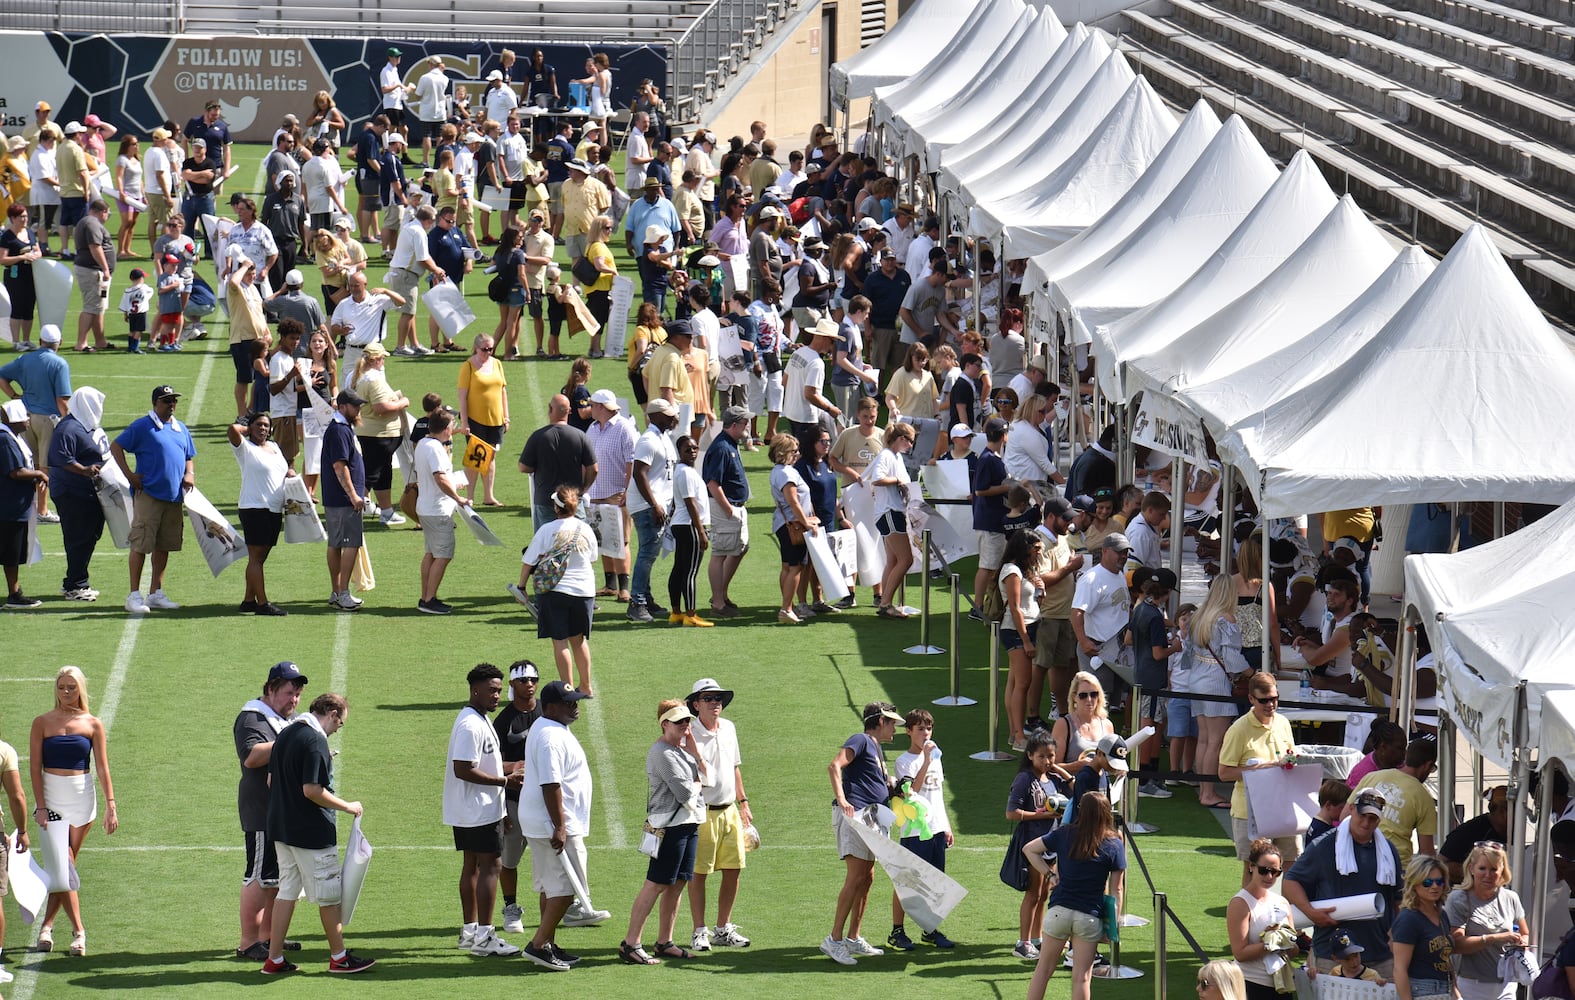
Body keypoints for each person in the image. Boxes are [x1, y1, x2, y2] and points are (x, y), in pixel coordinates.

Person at [261, 692, 373, 975]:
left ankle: (274, 959)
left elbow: (272, 779)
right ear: (332, 714)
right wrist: (348, 806)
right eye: (340, 723)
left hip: (281, 829)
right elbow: (312, 790)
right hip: (311, 833)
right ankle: (339, 957)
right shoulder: (315, 741)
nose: (337, 729)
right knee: (329, 896)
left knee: (286, 891)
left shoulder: (286, 734)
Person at [29, 665, 117, 957]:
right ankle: (79, 932)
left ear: (80, 689)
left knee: (62, 868)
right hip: (52, 799)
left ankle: (47, 926)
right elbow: (34, 767)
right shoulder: (41, 722)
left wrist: (111, 805)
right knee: (63, 864)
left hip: (82, 799)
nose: (66, 692)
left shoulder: (92, 723)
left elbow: (102, 767)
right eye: (61, 687)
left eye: (71, 687)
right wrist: (40, 806)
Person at [620, 699, 708, 965]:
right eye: (679, 721)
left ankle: (664, 941)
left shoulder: (682, 751)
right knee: (656, 884)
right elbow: (684, 793)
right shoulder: (661, 753)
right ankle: (631, 944)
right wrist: (698, 781)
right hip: (669, 827)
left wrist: (694, 753)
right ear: (664, 723)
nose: (685, 725)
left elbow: (710, 778)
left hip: (689, 824)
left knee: (678, 883)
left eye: (687, 721)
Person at [446, 664, 524, 958]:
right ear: (474, 689)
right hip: (478, 808)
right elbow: (463, 768)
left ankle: (470, 933)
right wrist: (505, 780)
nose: (497, 696)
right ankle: (485, 936)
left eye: (499, 691)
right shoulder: (470, 724)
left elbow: (483, 763)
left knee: (473, 866)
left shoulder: (476, 719)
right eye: (491, 690)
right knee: (491, 866)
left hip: (472, 807)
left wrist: (512, 768)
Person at [518, 679, 595, 972]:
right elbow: (551, 784)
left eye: (575, 701)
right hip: (552, 823)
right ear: (549, 707)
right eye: (568, 703)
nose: (575, 707)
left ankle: (547, 943)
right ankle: (538, 945)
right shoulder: (550, 736)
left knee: (551, 887)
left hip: (545, 820)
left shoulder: (550, 727)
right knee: (566, 888)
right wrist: (560, 826)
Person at [1282, 787, 1401, 977]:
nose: (1366, 822)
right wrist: (1311, 913)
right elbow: (1290, 882)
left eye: (1373, 818)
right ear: (1352, 809)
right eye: (1363, 815)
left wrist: (1397, 933)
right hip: (1333, 956)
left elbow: (1398, 899)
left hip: (1380, 954)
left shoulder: (1388, 851)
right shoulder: (1323, 846)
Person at [233, 661, 308, 961]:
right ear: (270, 689)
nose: (294, 700)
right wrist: (293, 743)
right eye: (290, 693)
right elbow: (251, 756)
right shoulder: (252, 718)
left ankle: (269, 935)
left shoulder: (283, 721)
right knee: (256, 876)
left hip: (280, 811)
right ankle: (248, 942)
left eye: (298, 695)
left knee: (276, 877)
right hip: (261, 811)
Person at [1023, 791, 1126, 1000]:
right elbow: (1117, 890)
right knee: (1082, 978)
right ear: (1107, 813)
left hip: (1058, 911)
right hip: (1089, 917)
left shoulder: (1065, 833)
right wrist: (1112, 927)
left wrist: (1050, 874)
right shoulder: (1114, 844)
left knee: (1043, 972)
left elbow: (1029, 849)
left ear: (1081, 811)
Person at [822, 702, 904, 966]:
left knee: (867, 877)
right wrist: (843, 799)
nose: (894, 728)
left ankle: (853, 937)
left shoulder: (876, 747)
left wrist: (893, 790)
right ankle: (834, 940)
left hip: (872, 819)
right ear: (880, 721)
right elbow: (835, 766)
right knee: (856, 876)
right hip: (855, 817)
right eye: (892, 722)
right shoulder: (860, 739)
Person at [110, 384, 195, 614]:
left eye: (174, 400)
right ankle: (134, 595)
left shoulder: (180, 428)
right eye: (167, 401)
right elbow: (116, 446)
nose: (172, 405)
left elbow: (188, 455)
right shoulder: (142, 426)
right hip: (149, 495)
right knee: (141, 543)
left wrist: (190, 473)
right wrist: (129, 476)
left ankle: (156, 592)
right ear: (155, 403)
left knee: (164, 544)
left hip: (174, 496)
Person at [515, 485, 600, 695]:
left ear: (556, 507)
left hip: (555, 591)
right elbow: (593, 558)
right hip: (584, 590)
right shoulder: (586, 528)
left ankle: (567, 689)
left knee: (560, 641)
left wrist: (521, 587)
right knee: (579, 640)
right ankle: (587, 686)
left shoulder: (547, 529)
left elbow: (529, 560)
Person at [887, 709, 957, 951]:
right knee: (906, 881)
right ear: (908, 731)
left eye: (929, 728)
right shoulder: (903, 761)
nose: (926, 733)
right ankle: (897, 931)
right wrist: (926, 760)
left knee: (933, 882)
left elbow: (937, 796)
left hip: (936, 830)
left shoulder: (937, 758)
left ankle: (930, 930)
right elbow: (911, 792)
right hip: (914, 831)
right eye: (920, 729)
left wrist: (946, 826)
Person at [1218, 673, 1300, 875]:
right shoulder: (1238, 730)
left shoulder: (1282, 723)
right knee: (1256, 871)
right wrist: (1263, 768)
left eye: (1274, 698)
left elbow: (1291, 755)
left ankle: (1284, 906)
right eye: (1264, 700)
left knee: (1291, 864)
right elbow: (1224, 773)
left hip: (1284, 807)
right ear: (1251, 699)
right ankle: (1248, 907)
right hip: (1252, 811)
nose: (1271, 704)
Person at [1182, 574, 1251, 809]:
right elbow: (1232, 659)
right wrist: (1252, 672)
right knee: (1215, 741)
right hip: (1215, 681)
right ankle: (1208, 793)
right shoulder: (1225, 619)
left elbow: (1187, 652)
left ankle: (1205, 789)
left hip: (1197, 678)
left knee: (1204, 739)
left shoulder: (1199, 616)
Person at [1008, 732, 1071, 960]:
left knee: (1044, 894)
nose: (1047, 761)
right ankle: (1022, 943)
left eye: (1051, 756)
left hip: (1051, 843)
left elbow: (1074, 787)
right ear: (1030, 755)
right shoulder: (1025, 778)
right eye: (1042, 756)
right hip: (1033, 845)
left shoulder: (1052, 778)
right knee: (1033, 894)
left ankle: (1036, 939)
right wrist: (1041, 815)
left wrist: (1060, 770)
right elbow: (1011, 813)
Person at [493, 661, 544, 934]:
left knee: (551, 854)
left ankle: (567, 902)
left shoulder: (547, 713)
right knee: (509, 859)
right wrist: (515, 767)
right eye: (523, 680)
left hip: (544, 799)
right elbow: (491, 767)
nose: (529, 684)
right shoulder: (503, 721)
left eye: (533, 679)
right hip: (514, 799)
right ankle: (510, 907)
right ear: (512, 685)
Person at [47, 387, 110, 601]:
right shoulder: (68, 428)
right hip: (72, 492)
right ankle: (75, 585)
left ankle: (77, 581)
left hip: (87, 491)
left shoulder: (84, 425)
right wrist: (84, 470)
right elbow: (59, 457)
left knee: (89, 535)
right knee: (78, 537)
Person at [227, 412, 293, 616]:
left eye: (266, 425)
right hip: (254, 508)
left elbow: (283, 469)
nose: (263, 428)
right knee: (256, 557)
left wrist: (291, 475)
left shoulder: (274, 447)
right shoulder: (245, 448)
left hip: (273, 509)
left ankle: (249, 600)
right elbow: (232, 430)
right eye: (259, 425)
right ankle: (263, 603)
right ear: (250, 427)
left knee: (260, 557)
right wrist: (248, 428)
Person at [1445, 841, 1528, 1000]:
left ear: (1502, 870)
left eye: (1494, 869)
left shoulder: (1511, 898)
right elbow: (1455, 944)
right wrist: (1494, 938)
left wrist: (1522, 942)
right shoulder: (1458, 899)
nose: (1488, 875)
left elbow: (1525, 932)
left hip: (1507, 984)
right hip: (1471, 985)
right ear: (1471, 869)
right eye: (1482, 868)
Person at [626, 399, 679, 623]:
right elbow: (639, 473)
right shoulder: (648, 440)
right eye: (669, 415)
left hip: (657, 504)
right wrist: (655, 504)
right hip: (648, 505)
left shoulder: (663, 437)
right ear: (655, 416)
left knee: (648, 553)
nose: (674, 418)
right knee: (647, 554)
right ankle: (636, 602)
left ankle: (645, 598)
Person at [413, 408, 472, 615]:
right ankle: (429, 599)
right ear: (447, 429)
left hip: (426, 508)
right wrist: (458, 497)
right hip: (437, 511)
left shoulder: (423, 443)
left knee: (431, 553)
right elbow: (439, 478)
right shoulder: (436, 448)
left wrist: (453, 483)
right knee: (443, 555)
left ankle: (426, 596)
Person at [1228, 838, 1298, 1000]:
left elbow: (1293, 951)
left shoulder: (1282, 902)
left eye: (1275, 872)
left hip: (1282, 985)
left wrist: (1287, 941)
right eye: (1264, 870)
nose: (1269, 876)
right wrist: (1270, 943)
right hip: (1250, 984)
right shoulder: (1240, 903)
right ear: (1251, 867)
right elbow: (1240, 953)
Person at [1351, 736, 1439, 867]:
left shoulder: (1372, 777)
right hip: (1397, 865)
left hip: (1359, 858)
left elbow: (1345, 815)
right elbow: (1426, 853)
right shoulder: (1424, 798)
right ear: (1427, 765)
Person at [349, 343, 410, 526]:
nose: (383, 361)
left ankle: (386, 512)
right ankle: (352, 511)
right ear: (375, 360)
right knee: (370, 475)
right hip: (378, 435)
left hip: (374, 433)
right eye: (382, 358)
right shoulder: (373, 379)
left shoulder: (361, 377)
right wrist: (403, 402)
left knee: (383, 473)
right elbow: (380, 407)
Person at [518, 393, 596, 529]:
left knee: (547, 544)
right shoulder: (580, 436)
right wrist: (583, 489)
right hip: (573, 501)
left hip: (545, 501)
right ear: (570, 411)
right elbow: (594, 468)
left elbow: (523, 467)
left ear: (550, 409)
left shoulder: (538, 436)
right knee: (576, 543)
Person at [321, 388, 369, 611]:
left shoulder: (341, 428)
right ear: (342, 407)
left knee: (336, 543)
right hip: (344, 499)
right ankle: (343, 593)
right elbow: (340, 466)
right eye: (355, 406)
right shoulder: (340, 431)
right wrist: (353, 495)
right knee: (349, 543)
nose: (358, 409)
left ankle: (336, 591)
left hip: (338, 498)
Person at [703, 404, 752, 617]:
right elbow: (713, 483)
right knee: (720, 553)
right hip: (725, 507)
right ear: (734, 425)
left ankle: (720, 595)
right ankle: (718, 604)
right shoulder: (723, 448)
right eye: (745, 423)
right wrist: (729, 510)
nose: (748, 426)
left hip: (733, 507)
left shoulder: (729, 444)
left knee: (740, 548)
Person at [1071, 533, 1134, 698]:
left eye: (1126, 552)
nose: (1124, 556)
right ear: (1105, 551)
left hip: (1118, 650)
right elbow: (1077, 612)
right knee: (1094, 700)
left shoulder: (1119, 574)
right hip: (1097, 649)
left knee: (1112, 701)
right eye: (1119, 551)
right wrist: (1084, 641)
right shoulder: (1091, 579)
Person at [1389, 855, 1455, 1000]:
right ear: (1415, 883)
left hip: (1445, 988)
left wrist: (1455, 991)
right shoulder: (1408, 918)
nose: (1435, 886)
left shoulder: (1441, 914)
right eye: (1427, 882)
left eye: (1439, 881)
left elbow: (1447, 960)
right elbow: (1399, 969)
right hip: (1420, 989)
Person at [768, 434, 817, 624]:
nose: (798, 454)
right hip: (792, 526)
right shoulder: (786, 474)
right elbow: (793, 501)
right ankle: (787, 608)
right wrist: (806, 522)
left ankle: (787, 606)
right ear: (784, 453)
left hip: (785, 523)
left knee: (788, 567)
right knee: (795, 567)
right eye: (794, 451)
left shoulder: (781, 471)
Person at [869, 422, 915, 620]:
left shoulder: (894, 456)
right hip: (889, 513)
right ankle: (886, 603)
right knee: (906, 559)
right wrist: (898, 481)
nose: (911, 446)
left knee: (894, 560)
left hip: (890, 512)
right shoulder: (887, 455)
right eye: (910, 441)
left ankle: (884, 601)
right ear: (902, 439)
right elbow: (877, 479)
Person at [456, 333, 508, 506]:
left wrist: (505, 417)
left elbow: (502, 391)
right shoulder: (468, 366)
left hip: (495, 419)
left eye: (491, 349)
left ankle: (489, 496)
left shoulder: (497, 364)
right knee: (475, 457)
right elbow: (462, 397)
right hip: (475, 419)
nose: (488, 352)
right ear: (476, 348)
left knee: (491, 456)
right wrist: (464, 423)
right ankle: (469, 496)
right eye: (485, 349)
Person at [667, 436, 711, 626]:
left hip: (682, 524)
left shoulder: (684, 471)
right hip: (689, 525)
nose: (692, 451)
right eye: (687, 449)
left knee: (680, 569)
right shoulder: (685, 473)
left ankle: (676, 612)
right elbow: (690, 502)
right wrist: (701, 531)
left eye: (694, 448)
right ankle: (691, 614)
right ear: (679, 451)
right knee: (690, 571)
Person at [1440, 786, 1509, 885]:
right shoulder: (1469, 831)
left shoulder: (1513, 833)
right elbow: (1441, 864)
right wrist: (1475, 873)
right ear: (1502, 812)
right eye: (1516, 812)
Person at [72, 199, 115, 353]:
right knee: (91, 306)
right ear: (102, 211)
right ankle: (81, 343)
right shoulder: (92, 223)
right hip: (93, 271)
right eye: (107, 214)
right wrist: (105, 268)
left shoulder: (87, 222)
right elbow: (95, 247)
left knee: (99, 307)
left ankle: (100, 341)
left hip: (93, 270)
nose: (107, 217)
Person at [1, 203, 44, 352]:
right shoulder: (7, 237)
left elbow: (38, 250)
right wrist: (21, 257)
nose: (25, 219)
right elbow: (2, 259)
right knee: (17, 308)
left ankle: (26, 340)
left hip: (31, 275)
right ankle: (16, 341)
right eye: (21, 217)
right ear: (13, 218)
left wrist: (36, 255)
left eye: (26, 216)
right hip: (15, 276)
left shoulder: (29, 232)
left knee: (28, 309)